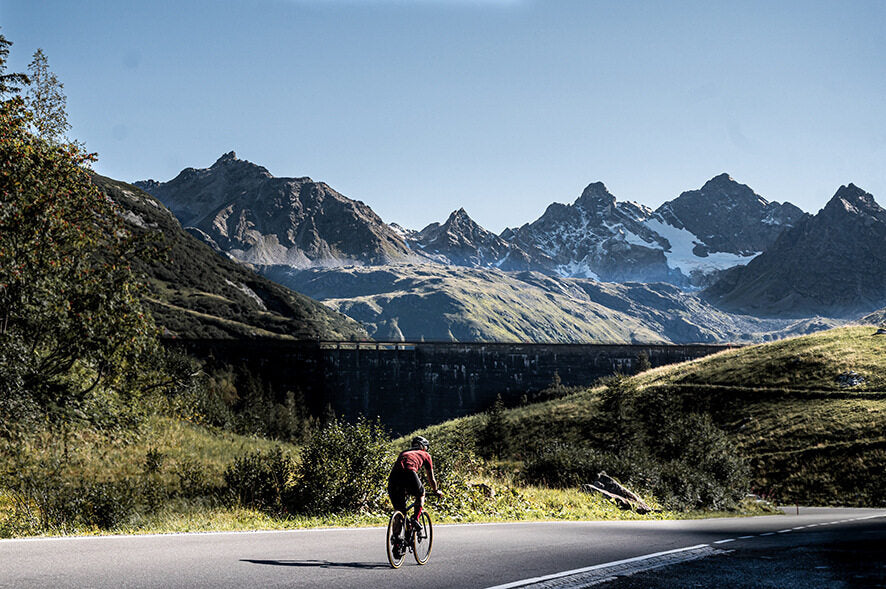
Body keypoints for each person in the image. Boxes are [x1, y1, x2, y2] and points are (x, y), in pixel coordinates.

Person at [387, 435, 442, 537]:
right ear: (423, 447)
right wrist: (436, 490)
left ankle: (396, 542)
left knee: (400, 511)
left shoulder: (404, 453)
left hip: (393, 478)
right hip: (409, 473)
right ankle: (415, 519)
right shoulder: (425, 454)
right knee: (421, 494)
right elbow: (431, 478)